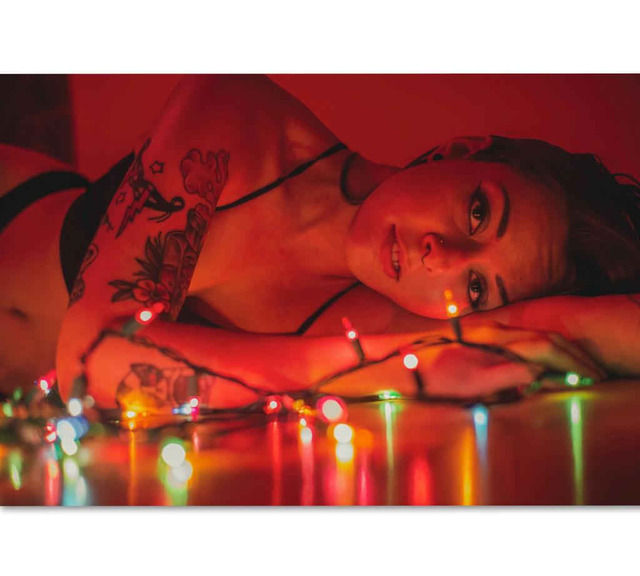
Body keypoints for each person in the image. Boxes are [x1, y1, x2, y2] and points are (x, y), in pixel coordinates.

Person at [0, 75, 638, 408]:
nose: (440, 257)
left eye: (476, 287)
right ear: (460, 150)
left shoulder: (399, 319)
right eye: (478, 213)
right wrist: (380, 367)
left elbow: (579, 328)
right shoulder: (242, 114)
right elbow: (91, 358)